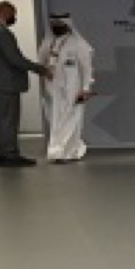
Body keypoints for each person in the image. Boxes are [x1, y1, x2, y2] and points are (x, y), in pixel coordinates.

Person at [0, 0, 50, 168]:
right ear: (4, 13)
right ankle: (9, 155)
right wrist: (41, 69)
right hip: (4, 84)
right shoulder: (1, 33)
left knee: (1, 119)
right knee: (8, 120)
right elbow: (15, 59)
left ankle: (2, 154)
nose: (14, 17)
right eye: (13, 14)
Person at [40, 12, 97, 165]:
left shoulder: (79, 44)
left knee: (71, 118)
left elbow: (87, 69)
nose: (56, 27)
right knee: (55, 120)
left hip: (72, 88)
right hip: (52, 89)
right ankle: (58, 151)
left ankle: (64, 151)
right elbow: (42, 64)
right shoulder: (48, 43)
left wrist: (85, 88)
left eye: (60, 24)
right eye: (54, 25)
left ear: (67, 25)